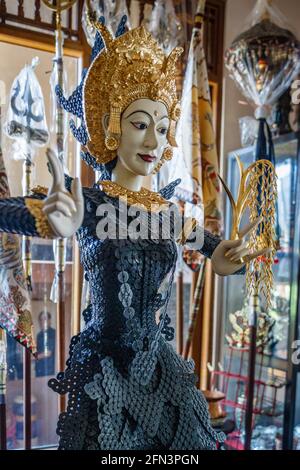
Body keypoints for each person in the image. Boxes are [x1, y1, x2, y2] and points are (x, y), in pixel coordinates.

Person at [0, 20, 270, 450]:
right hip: (106, 371)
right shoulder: (91, 203)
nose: (153, 140)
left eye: (161, 129)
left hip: (160, 368)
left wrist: (223, 260)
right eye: (141, 124)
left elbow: (214, 250)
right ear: (113, 125)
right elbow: (6, 211)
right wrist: (47, 221)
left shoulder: (169, 213)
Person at [35, 311, 55, 377]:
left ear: (49, 320)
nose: (42, 321)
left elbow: (48, 353)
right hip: (39, 370)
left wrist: (32, 358)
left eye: (45, 318)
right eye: (41, 319)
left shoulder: (53, 333)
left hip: (49, 371)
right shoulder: (39, 335)